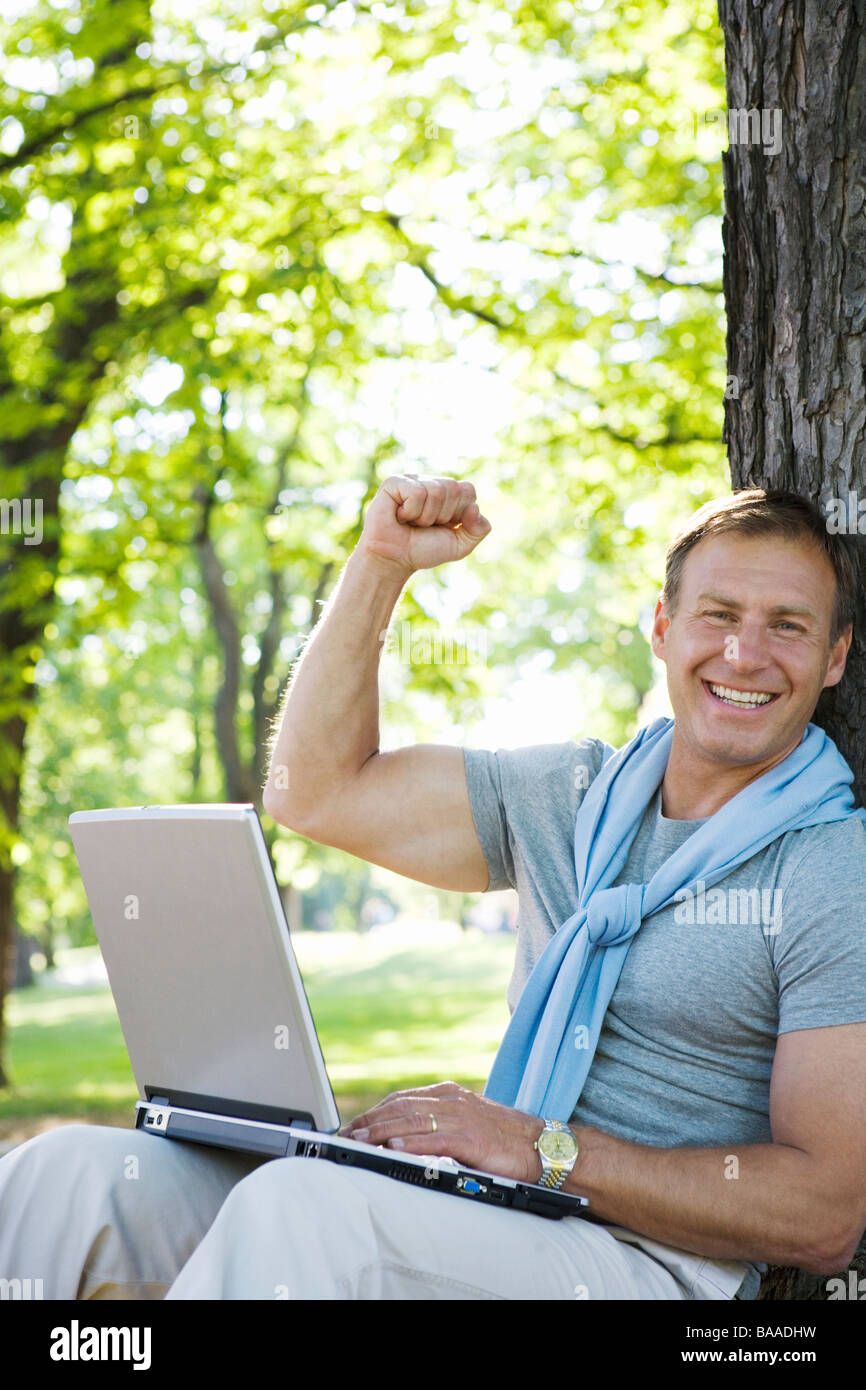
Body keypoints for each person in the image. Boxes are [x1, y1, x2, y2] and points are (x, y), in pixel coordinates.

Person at [1, 477, 865, 1301]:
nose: (744, 653)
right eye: (718, 615)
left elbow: (825, 1214)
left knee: (304, 1214)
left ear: (833, 658)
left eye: (787, 627)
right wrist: (380, 565)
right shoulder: (572, 796)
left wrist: (540, 1149)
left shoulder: (828, 868)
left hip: (648, 1266)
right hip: (496, 1210)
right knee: (67, 1178)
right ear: (663, 629)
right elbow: (315, 789)